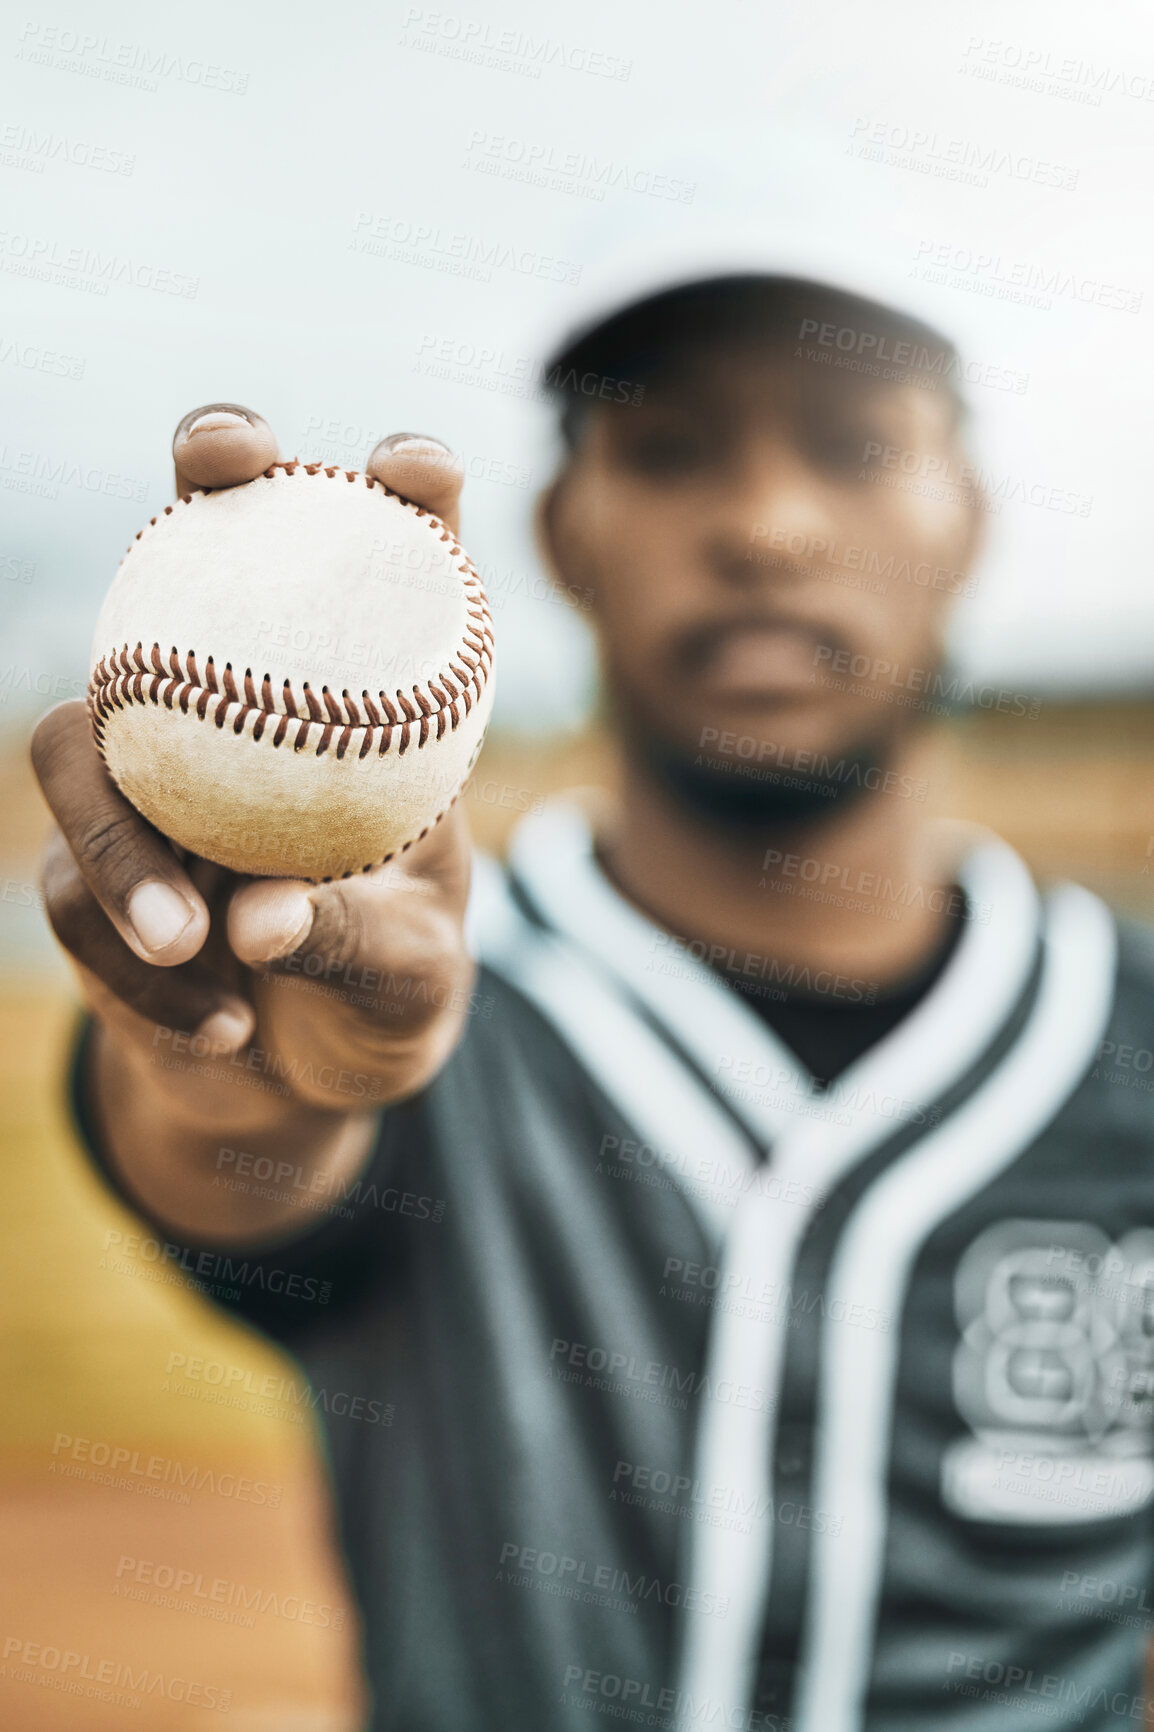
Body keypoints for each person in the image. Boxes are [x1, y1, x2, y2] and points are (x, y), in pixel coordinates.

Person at [31, 275, 1154, 1732]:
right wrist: (232, 1045)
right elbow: (234, 1150)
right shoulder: (428, 995)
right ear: (562, 534)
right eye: (670, 448)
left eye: (853, 445)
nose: (765, 527)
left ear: (969, 518)